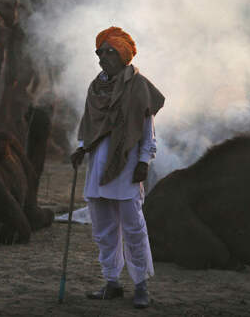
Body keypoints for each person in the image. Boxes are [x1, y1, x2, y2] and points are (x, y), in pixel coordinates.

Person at [70, 26, 164, 309]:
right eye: (101, 53)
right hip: (97, 164)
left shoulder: (138, 86)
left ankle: (140, 286)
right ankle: (111, 282)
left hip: (127, 165)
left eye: (111, 53)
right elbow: (91, 125)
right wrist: (81, 148)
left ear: (124, 56)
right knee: (103, 229)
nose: (103, 58)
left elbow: (146, 128)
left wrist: (144, 162)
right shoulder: (95, 87)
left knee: (134, 227)